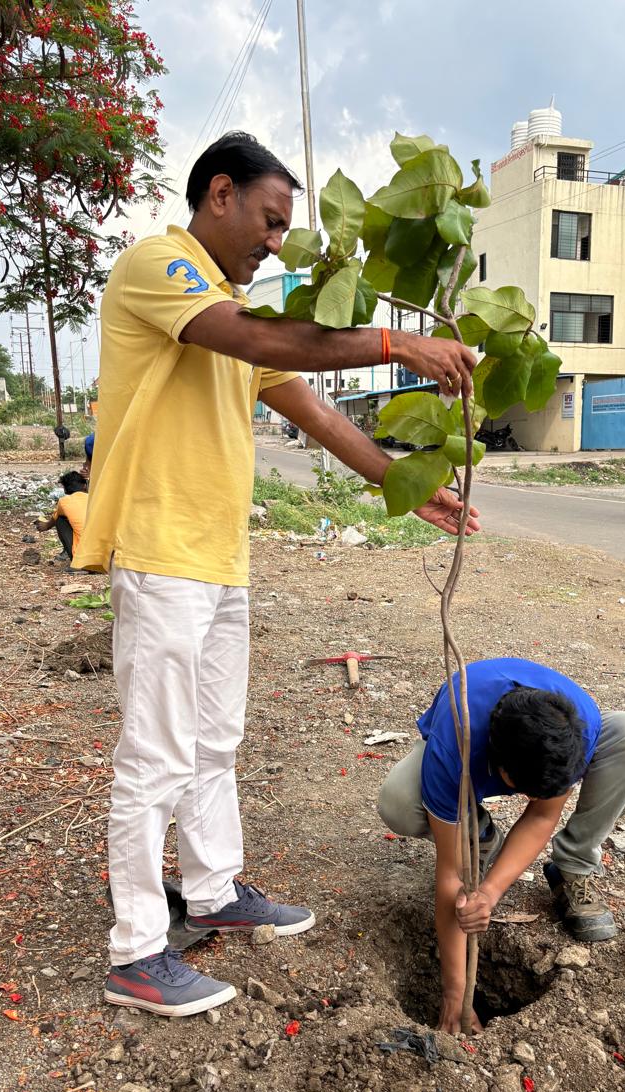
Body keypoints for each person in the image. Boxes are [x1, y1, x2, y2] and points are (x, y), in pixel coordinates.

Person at [73, 131, 478, 1018]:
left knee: (215, 742)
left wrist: (410, 487)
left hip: (220, 559)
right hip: (160, 549)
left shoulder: (240, 319)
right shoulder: (163, 271)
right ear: (219, 193)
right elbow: (260, 339)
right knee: (155, 754)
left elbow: (318, 415)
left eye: (285, 226)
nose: (276, 241)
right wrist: (393, 344)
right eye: (268, 219)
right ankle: (136, 948)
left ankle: (213, 888)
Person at [377, 659, 625, 1033]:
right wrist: (454, 993)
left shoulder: (576, 732)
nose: (524, 797)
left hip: (543, 742)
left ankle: (572, 866)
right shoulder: (455, 745)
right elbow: (451, 875)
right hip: (464, 740)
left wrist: (489, 893)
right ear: (497, 766)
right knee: (397, 803)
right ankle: (477, 835)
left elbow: (542, 817)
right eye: (521, 787)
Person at [35, 471, 89, 559]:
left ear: (65, 490)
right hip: (103, 558)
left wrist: (44, 525)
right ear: (85, 486)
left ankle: (75, 559)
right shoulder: (94, 499)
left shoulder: (64, 502)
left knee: (60, 520)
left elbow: (50, 523)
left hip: (83, 560)